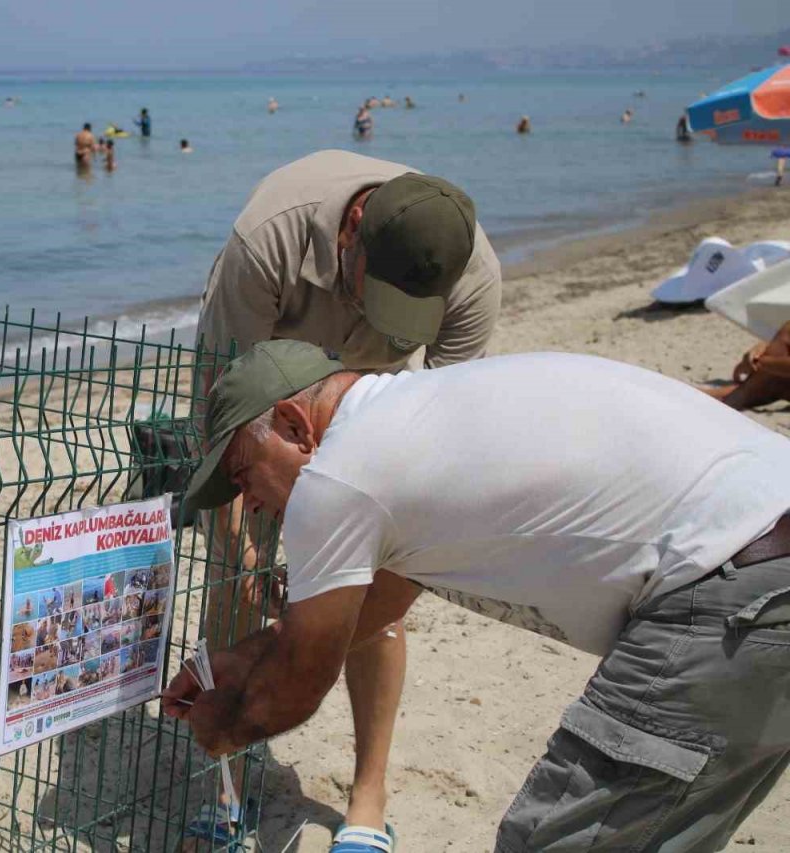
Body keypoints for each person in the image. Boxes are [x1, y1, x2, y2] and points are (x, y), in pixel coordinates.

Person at [166, 339, 790, 853]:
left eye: (244, 474)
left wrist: (219, 726)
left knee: (546, 841)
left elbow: (297, 684)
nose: (250, 502)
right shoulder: (416, 418)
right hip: (760, 556)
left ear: (295, 425)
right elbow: (368, 610)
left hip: (732, 589)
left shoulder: (337, 477)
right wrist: (242, 662)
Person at [189, 149, 501, 848]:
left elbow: (444, 432)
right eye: (373, 291)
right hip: (267, 391)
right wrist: (241, 544)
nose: (373, 312)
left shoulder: (470, 273)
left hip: (377, 398)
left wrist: (370, 561)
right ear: (353, 228)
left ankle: (369, 796)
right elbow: (222, 411)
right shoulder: (267, 238)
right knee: (231, 576)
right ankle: (227, 784)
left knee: (376, 590)